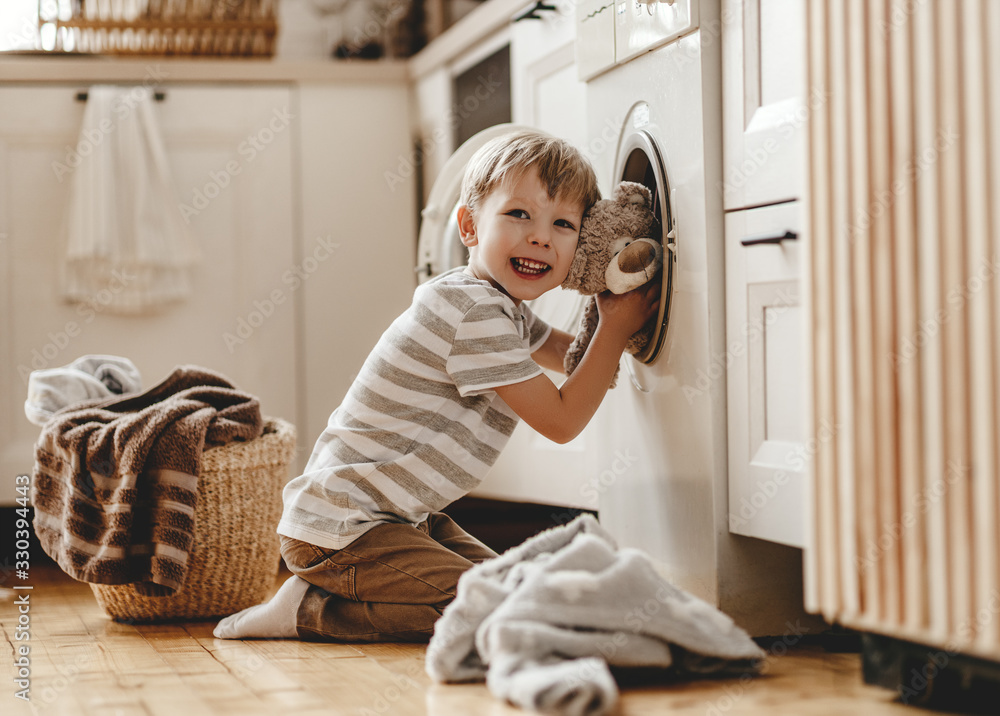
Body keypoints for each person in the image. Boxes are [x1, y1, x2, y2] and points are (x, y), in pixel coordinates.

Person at [213, 129, 660, 642]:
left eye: (563, 225)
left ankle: (328, 595)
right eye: (519, 215)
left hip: (398, 522)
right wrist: (618, 328)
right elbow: (561, 421)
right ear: (469, 226)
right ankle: (313, 609)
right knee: (493, 607)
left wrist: (608, 298)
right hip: (342, 532)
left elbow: (568, 356)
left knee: (517, 589)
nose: (540, 236)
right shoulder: (474, 313)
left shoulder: (496, 307)